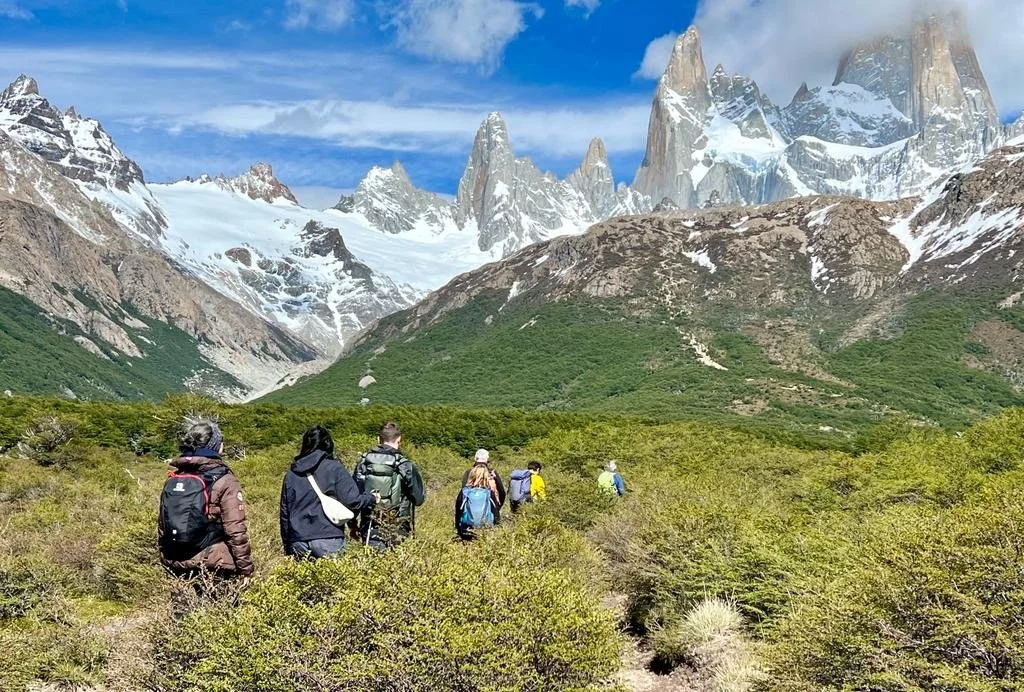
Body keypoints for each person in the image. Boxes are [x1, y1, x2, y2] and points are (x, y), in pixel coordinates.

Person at [158, 420, 253, 583]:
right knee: (219, 600)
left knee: (183, 600)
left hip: (175, 561)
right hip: (213, 562)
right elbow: (235, 529)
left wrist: (165, 558)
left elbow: (163, 525)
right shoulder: (224, 478)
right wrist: (245, 569)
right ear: (216, 445)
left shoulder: (174, 477)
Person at [280, 426, 380, 560]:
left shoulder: (291, 474)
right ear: (328, 444)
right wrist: (371, 498)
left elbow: (285, 513)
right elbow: (353, 501)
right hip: (328, 537)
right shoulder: (334, 468)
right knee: (333, 574)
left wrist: (287, 546)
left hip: (298, 541)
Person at [353, 422, 425, 549]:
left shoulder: (364, 462)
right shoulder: (404, 464)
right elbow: (418, 499)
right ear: (399, 439)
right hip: (398, 528)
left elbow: (354, 496)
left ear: (378, 439)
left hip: (370, 527)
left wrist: (352, 525)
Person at [456, 464, 500, 540]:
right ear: (486, 476)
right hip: (486, 529)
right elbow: (495, 512)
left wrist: (459, 530)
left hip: (467, 529)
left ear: (471, 475)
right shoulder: (489, 492)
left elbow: (458, 511)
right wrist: (496, 528)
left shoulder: (464, 491)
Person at [461, 449, 506, 522]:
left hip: (469, 515)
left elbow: (463, 492)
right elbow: (502, 492)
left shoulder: (469, 472)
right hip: (491, 513)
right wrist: (497, 508)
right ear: (487, 459)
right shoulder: (492, 472)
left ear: (475, 459)